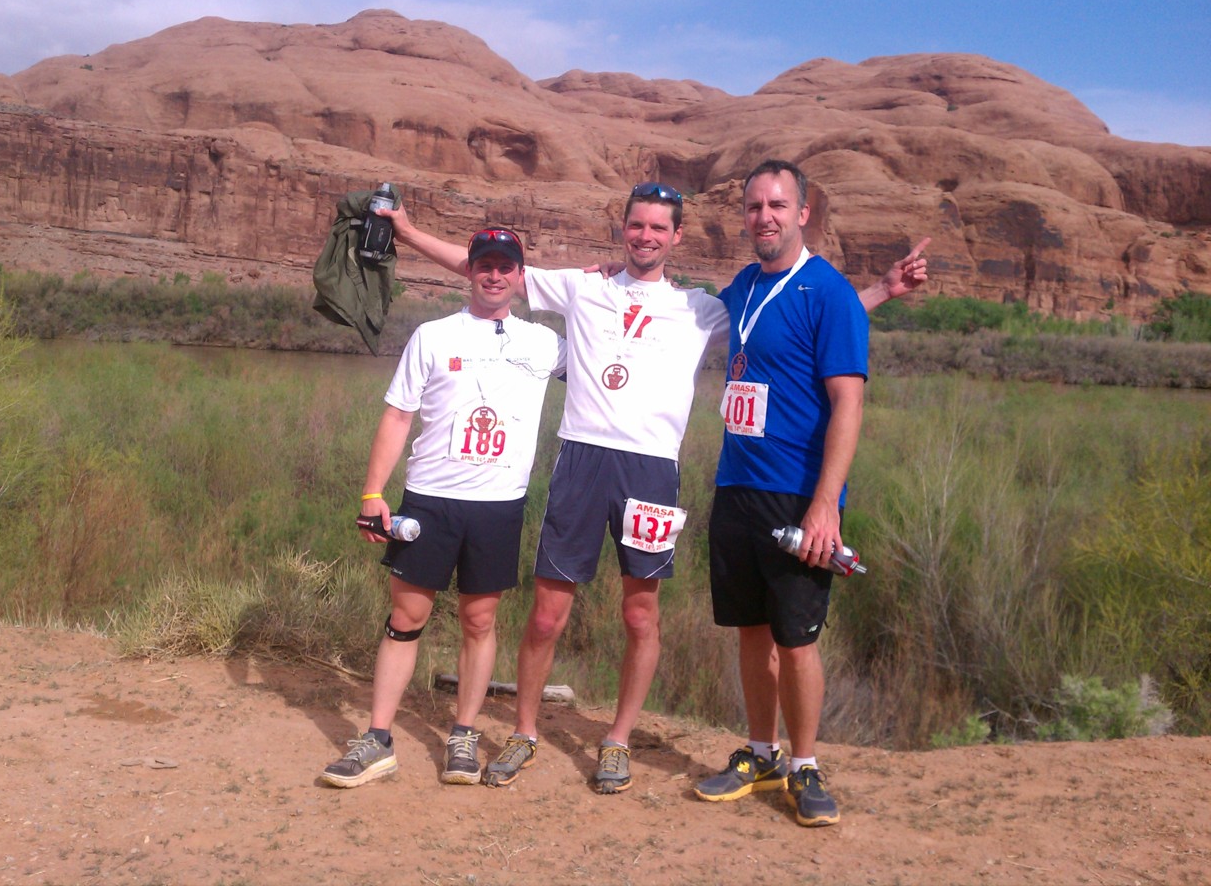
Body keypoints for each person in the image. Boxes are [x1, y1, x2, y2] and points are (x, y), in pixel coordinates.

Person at [382, 185, 926, 795]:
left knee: (640, 614)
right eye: (637, 225)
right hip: (581, 460)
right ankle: (525, 731)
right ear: (623, 228)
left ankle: (617, 740)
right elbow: (485, 267)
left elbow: (796, 321)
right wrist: (408, 233)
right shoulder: (583, 287)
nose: (646, 236)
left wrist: (881, 292)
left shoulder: (700, 308)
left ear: (676, 237)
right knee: (547, 614)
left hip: (651, 471)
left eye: (658, 228)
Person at [694, 160, 924, 827]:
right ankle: (761, 754)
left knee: (795, 637)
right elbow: (790, 325)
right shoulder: (744, 286)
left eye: (777, 205)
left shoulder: (827, 289)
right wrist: (878, 291)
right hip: (736, 484)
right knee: (750, 629)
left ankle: (804, 765)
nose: (764, 216)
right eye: (754, 206)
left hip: (797, 495)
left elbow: (848, 402)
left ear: (803, 214)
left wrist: (826, 504)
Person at [319, 227, 565, 789]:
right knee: (406, 618)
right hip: (430, 500)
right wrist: (373, 493)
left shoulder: (544, 343)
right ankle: (377, 739)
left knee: (480, 622)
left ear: (520, 277)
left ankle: (464, 734)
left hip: (499, 506)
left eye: (505, 267)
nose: (494, 275)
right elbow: (398, 415)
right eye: (485, 265)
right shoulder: (432, 336)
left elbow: (605, 366)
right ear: (469, 270)